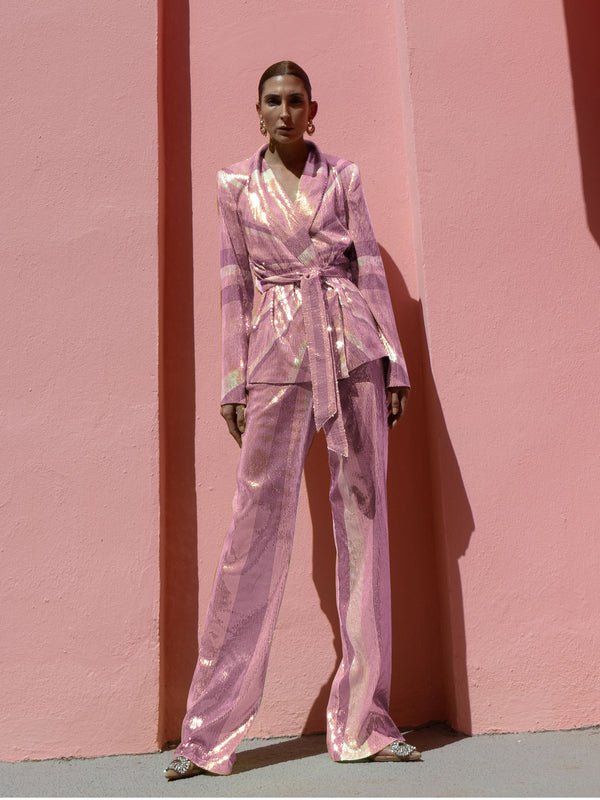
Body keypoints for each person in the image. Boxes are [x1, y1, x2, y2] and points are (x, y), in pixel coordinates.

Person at [164, 61, 420, 781]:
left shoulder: (343, 177)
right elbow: (232, 285)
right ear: (258, 110)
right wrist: (232, 379)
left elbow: (367, 266)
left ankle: (366, 720)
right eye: (272, 100)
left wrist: (393, 363)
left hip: (351, 347)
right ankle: (206, 733)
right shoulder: (233, 185)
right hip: (274, 349)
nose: (284, 110)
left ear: (313, 109)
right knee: (253, 527)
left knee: (365, 525)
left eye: (295, 100)